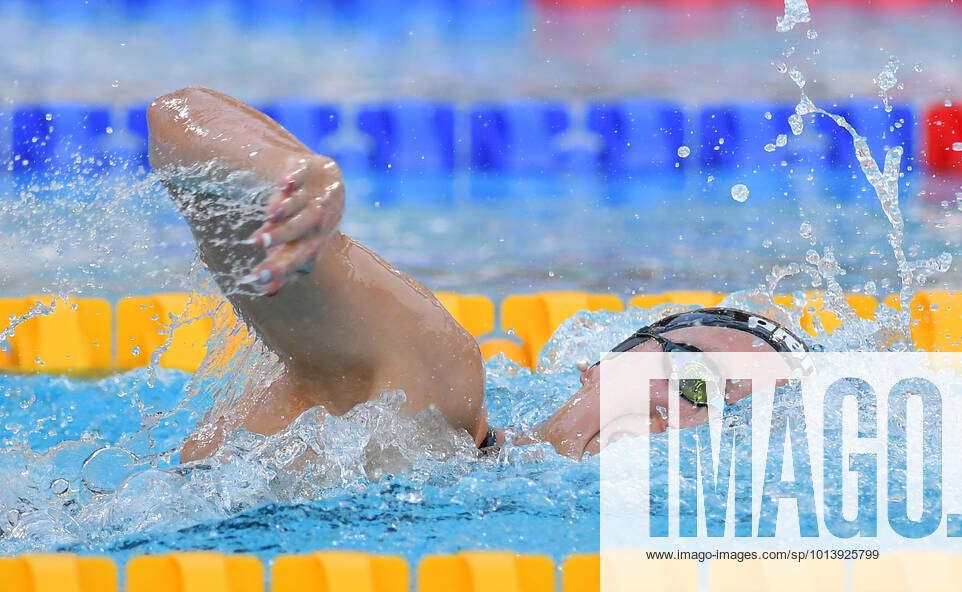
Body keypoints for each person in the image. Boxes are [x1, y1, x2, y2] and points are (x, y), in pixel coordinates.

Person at [148, 86, 810, 463]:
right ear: (600, 367)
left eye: (732, 425)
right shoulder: (430, 388)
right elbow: (179, 123)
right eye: (696, 381)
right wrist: (292, 173)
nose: (685, 419)